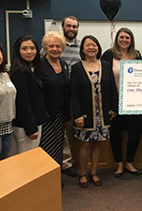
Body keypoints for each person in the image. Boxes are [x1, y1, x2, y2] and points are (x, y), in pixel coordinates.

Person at [70, 35, 118, 188]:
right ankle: (83, 174)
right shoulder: (77, 68)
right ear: (82, 49)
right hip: (85, 115)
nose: (91, 48)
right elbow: (74, 93)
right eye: (87, 45)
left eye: (94, 45)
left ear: (98, 48)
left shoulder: (104, 65)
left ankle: (94, 172)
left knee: (97, 144)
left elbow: (111, 89)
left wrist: (113, 109)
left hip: (102, 114)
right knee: (86, 144)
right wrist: (77, 115)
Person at [102, 27, 142, 178]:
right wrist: (109, 106)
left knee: (136, 133)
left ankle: (129, 162)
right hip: (114, 103)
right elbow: (104, 80)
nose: (124, 40)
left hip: (134, 103)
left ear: (131, 40)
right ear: (116, 39)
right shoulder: (108, 55)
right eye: (121, 37)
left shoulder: (137, 55)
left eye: (127, 38)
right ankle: (119, 163)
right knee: (115, 133)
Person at [10, 35, 48, 154]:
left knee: (31, 158)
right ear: (18, 51)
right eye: (24, 48)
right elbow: (22, 102)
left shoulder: (33, 68)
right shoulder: (18, 72)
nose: (29, 52)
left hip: (35, 121)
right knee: (25, 160)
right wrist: (30, 128)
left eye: (32, 48)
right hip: (25, 126)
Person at [39, 31, 70, 166]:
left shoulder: (63, 64)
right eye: (51, 46)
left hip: (60, 112)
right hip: (45, 114)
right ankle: (47, 178)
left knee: (59, 144)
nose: (55, 49)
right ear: (45, 47)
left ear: (62, 48)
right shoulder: (39, 65)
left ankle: (57, 173)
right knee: (47, 146)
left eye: (58, 46)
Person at [60, 16, 81, 177]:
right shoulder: (53, 45)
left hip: (75, 96)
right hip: (57, 95)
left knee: (72, 130)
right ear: (63, 27)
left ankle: (68, 163)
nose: (72, 29)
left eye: (74, 26)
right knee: (59, 132)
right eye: (69, 26)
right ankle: (61, 163)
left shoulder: (82, 47)